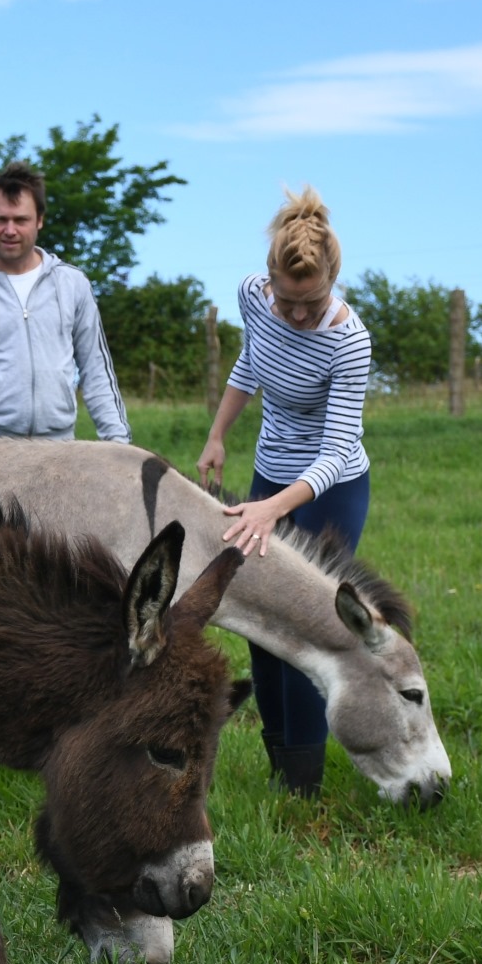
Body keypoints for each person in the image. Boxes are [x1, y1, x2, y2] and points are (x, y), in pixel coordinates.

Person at [195, 186, 373, 798]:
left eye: (312, 302)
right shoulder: (252, 295)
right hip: (269, 476)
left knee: (306, 623)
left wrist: (272, 508)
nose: (297, 315)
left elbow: (336, 451)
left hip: (327, 491)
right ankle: (281, 764)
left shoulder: (350, 342)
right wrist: (219, 434)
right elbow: (252, 362)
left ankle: (306, 784)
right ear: (269, 280)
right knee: (261, 626)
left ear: (333, 282)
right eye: (287, 301)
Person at [0, 160, 129, 444]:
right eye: (0, 219)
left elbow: (96, 371)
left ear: (39, 220)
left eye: (20, 220)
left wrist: (119, 445)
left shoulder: (73, 284)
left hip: (59, 449)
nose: (10, 230)